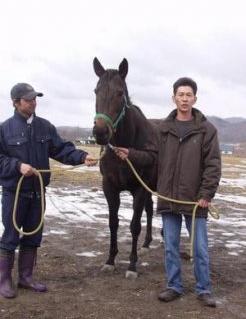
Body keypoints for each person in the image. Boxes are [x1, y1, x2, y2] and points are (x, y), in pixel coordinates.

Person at [115, 77, 221, 307]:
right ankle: (174, 285)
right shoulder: (163, 130)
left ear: (195, 98)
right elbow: (152, 157)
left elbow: (213, 165)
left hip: (195, 202)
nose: (184, 99)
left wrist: (206, 194)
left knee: (199, 248)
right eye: (180, 95)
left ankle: (204, 289)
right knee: (171, 246)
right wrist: (130, 154)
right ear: (174, 98)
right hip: (168, 198)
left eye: (188, 95)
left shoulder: (206, 130)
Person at [0, 83, 97, 298]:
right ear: (15, 103)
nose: (33, 102)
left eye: (35, 98)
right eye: (28, 99)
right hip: (14, 194)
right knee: (10, 236)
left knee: (33, 236)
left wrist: (81, 156)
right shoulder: (4, 129)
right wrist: (17, 166)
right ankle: (4, 280)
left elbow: (61, 149)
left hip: (37, 193)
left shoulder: (45, 126)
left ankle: (25, 278)